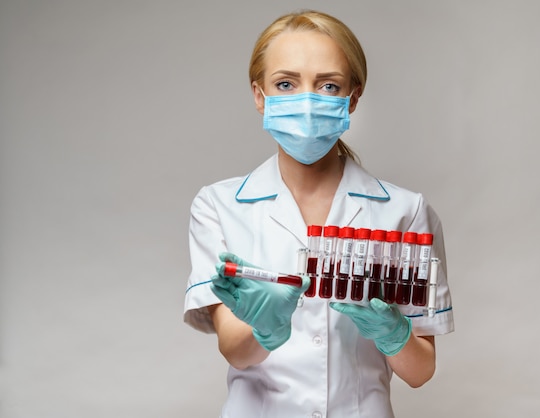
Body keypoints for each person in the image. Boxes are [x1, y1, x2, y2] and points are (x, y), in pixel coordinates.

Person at [184, 10, 454, 418]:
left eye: (328, 85)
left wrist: (394, 335)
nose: (306, 101)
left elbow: (421, 371)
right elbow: (236, 353)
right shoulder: (218, 206)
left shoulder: (405, 212)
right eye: (286, 84)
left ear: (353, 97)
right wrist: (265, 327)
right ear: (260, 95)